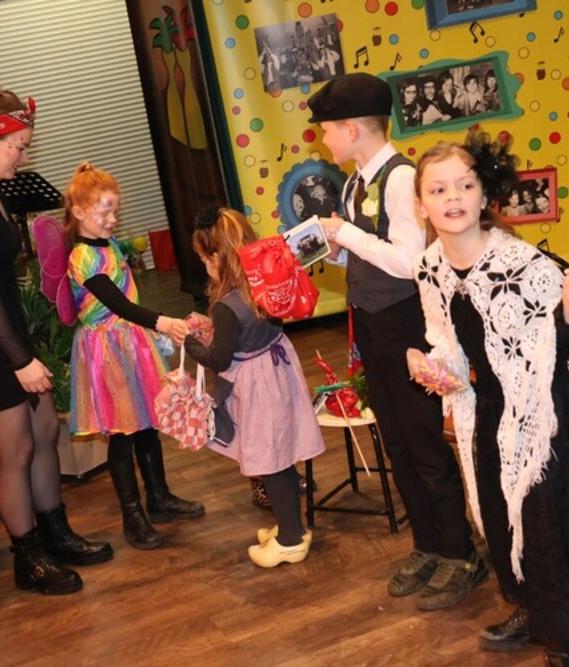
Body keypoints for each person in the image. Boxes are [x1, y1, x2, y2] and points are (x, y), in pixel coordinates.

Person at [409, 137, 569, 666]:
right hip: (488, 410)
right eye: (438, 189)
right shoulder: (430, 267)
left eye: (465, 185)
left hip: (545, 413)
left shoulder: (523, 264)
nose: (453, 197)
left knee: (549, 527)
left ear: (485, 195)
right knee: (503, 519)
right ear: (421, 205)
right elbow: (449, 343)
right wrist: (434, 367)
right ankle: (532, 608)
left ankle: (566, 644)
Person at [0, 72, 112, 597]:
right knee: (14, 450)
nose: (23, 157)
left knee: (44, 430)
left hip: (0, 330)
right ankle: (27, 559)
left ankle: (56, 532)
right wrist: (20, 360)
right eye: (18, 146)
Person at [308, 72, 483, 611]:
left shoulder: (403, 178)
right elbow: (370, 256)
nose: (323, 140)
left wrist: (346, 234)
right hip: (372, 328)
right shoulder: (354, 184)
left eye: (326, 131)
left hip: (407, 327)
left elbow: (410, 263)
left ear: (352, 129)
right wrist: (331, 249)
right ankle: (427, 544)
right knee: (398, 446)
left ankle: (461, 553)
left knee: (425, 445)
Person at [64, 161, 204, 550]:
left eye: (115, 210)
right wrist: (164, 322)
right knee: (123, 434)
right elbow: (118, 304)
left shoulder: (108, 245)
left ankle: (159, 496)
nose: (112, 219)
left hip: (131, 343)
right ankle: (132, 514)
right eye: (104, 211)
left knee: (146, 425)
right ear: (79, 212)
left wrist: (151, 330)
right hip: (106, 350)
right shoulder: (81, 257)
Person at [180, 206, 325, 567]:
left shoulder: (227, 305)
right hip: (278, 371)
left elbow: (219, 359)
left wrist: (189, 342)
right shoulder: (265, 285)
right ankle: (293, 526)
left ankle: (290, 540)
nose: (204, 266)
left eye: (205, 259)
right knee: (282, 455)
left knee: (270, 462)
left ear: (217, 256)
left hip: (257, 386)